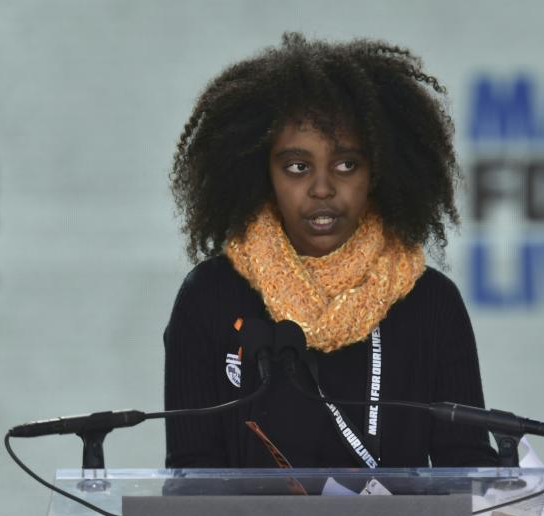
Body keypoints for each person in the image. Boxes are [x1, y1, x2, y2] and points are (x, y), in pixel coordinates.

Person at [164, 33, 498, 470]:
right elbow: (189, 472)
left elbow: (467, 465)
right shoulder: (210, 296)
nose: (322, 188)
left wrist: (501, 501)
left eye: (346, 165)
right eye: (297, 167)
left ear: (378, 171)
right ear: (262, 174)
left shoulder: (430, 302)